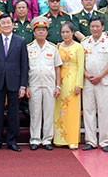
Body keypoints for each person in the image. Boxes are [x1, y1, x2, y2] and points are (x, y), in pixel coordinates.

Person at [0, 13, 29, 152]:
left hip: (15, 81)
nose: (6, 25)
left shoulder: (20, 41)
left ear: (13, 24)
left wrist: (23, 85)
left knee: (13, 112)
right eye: (3, 23)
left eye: (8, 23)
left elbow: (24, 65)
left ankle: (12, 140)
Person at [81, 17, 108, 152]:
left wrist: (100, 76)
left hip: (104, 82)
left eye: (97, 26)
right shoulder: (84, 42)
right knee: (89, 111)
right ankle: (90, 140)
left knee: (104, 112)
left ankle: (104, 141)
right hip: (88, 82)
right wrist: (86, 75)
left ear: (102, 27)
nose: (95, 29)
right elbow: (80, 63)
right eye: (92, 26)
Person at [26, 16, 62, 151]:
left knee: (48, 113)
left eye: (43, 30)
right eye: (38, 30)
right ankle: (35, 139)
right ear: (34, 32)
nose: (41, 32)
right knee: (35, 113)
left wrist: (58, 86)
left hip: (49, 85)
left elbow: (57, 67)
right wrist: (26, 86)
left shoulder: (53, 48)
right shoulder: (28, 48)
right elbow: (25, 69)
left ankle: (47, 139)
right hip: (34, 84)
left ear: (47, 32)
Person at [54, 22, 84, 149]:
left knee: (72, 109)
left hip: (72, 80)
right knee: (60, 109)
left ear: (72, 33)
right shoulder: (58, 46)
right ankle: (60, 138)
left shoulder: (78, 47)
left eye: (68, 32)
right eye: (63, 32)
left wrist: (79, 84)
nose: (65, 35)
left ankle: (72, 138)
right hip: (61, 81)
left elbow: (81, 66)